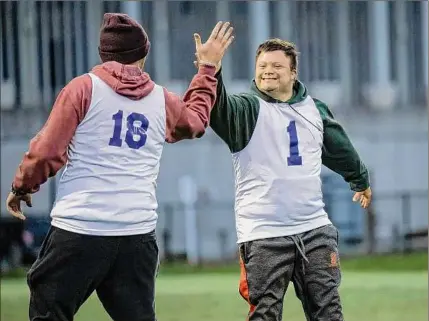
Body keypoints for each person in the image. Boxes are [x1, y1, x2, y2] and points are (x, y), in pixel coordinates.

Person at [5, 14, 234, 321]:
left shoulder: (82, 89)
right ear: (143, 54)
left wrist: (22, 186)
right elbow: (195, 122)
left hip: (81, 227)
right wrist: (207, 70)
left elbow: (47, 151)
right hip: (137, 233)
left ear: (104, 53)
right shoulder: (161, 99)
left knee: (49, 313)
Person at [195, 38, 372, 321]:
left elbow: (339, 147)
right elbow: (219, 108)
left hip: (315, 229)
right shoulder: (247, 109)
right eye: (262, 65)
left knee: (329, 313)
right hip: (263, 234)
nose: (268, 71)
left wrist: (360, 179)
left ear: (293, 73)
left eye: (277, 65)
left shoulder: (316, 109)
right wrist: (211, 69)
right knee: (265, 314)